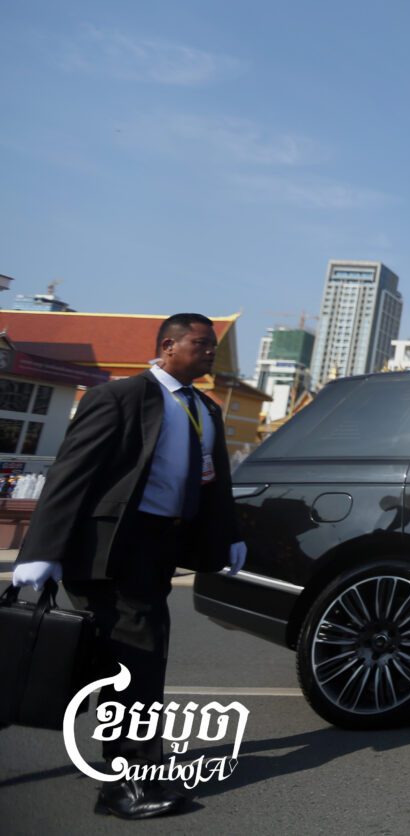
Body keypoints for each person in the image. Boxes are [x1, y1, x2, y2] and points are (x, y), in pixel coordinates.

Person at [11, 313, 246, 820]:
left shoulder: (204, 408)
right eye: (200, 344)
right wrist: (41, 550)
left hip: (158, 550)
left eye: (211, 345)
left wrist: (228, 537)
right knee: (136, 662)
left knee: (101, 663)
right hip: (109, 548)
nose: (209, 353)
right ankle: (127, 784)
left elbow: (215, 481)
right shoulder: (121, 397)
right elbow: (72, 473)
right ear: (168, 345)